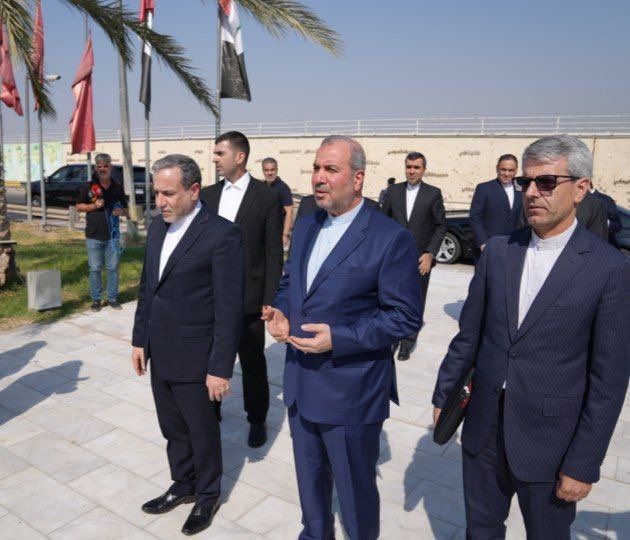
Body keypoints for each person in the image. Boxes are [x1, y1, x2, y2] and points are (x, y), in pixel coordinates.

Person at [432, 135, 629, 539]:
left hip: (551, 444)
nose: (532, 192)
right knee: (481, 529)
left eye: (547, 182)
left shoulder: (609, 268)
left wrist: (583, 462)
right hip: (484, 429)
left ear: (581, 189)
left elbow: (608, 381)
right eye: (527, 182)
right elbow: (469, 336)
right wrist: (443, 395)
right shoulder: (500, 252)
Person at [263, 135, 422, 540]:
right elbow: (290, 283)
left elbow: (404, 318)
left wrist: (340, 338)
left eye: (330, 170)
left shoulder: (390, 238)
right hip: (301, 384)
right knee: (310, 486)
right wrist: (281, 311)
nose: (318, 177)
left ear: (358, 179)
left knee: (354, 495)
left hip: (351, 393)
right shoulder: (306, 224)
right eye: (316, 168)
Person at [131, 154, 244, 535]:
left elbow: (229, 310)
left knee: (202, 431)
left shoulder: (221, 234)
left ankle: (208, 494)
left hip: (197, 357)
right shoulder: (158, 226)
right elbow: (149, 289)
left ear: (194, 191)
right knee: (173, 428)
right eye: (156, 192)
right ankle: (183, 484)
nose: (159, 201)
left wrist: (219, 368)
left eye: (168, 193)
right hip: (160, 351)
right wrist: (139, 339)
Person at [201, 131, 283, 448]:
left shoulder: (266, 197)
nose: (215, 159)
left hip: (250, 299)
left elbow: (274, 252)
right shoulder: (208, 196)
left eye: (220, 153)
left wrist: (270, 298)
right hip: (212, 297)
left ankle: (256, 418)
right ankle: (213, 410)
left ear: (240, 156)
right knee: (211, 359)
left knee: (252, 364)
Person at [381, 151, 447, 360]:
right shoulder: (393, 192)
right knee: (391, 299)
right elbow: (384, 223)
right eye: (409, 167)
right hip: (394, 258)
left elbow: (440, 226)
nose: (412, 171)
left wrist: (430, 253)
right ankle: (391, 337)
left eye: (416, 167)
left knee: (414, 301)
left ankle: (408, 341)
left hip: (420, 259)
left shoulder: (433, 193)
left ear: (424, 169)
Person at [76, 153, 128, 311]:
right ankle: (96, 300)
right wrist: (93, 207)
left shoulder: (117, 186)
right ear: (95, 168)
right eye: (99, 166)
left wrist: (121, 211)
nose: (103, 169)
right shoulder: (89, 186)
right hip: (94, 235)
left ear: (110, 167)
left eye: (105, 166)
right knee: (95, 268)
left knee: (112, 268)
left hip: (113, 236)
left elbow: (126, 209)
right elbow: (79, 206)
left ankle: (112, 298)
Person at [469, 154, 523, 256]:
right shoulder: (484, 188)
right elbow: (475, 217)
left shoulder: (522, 188)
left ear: (516, 171)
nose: (507, 174)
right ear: (497, 169)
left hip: (514, 246)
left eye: (511, 170)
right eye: (503, 169)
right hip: (489, 246)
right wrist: (483, 243)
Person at [261, 157, 294, 247]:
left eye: (272, 170)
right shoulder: (262, 187)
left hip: (277, 234)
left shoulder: (283, 188)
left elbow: (289, 211)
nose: (269, 173)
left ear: (277, 170)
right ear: (263, 171)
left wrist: (285, 235)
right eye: (266, 170)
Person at [297, 192, 379, 219]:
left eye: (332, 170)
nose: (319, 177)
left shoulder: (371, 209)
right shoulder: (307, 204)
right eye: (316, 168)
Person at [590, 182, 621, 246]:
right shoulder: (575, 198)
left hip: (603, 246)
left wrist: (602, 221)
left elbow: (617, 225)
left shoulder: (605, 199)